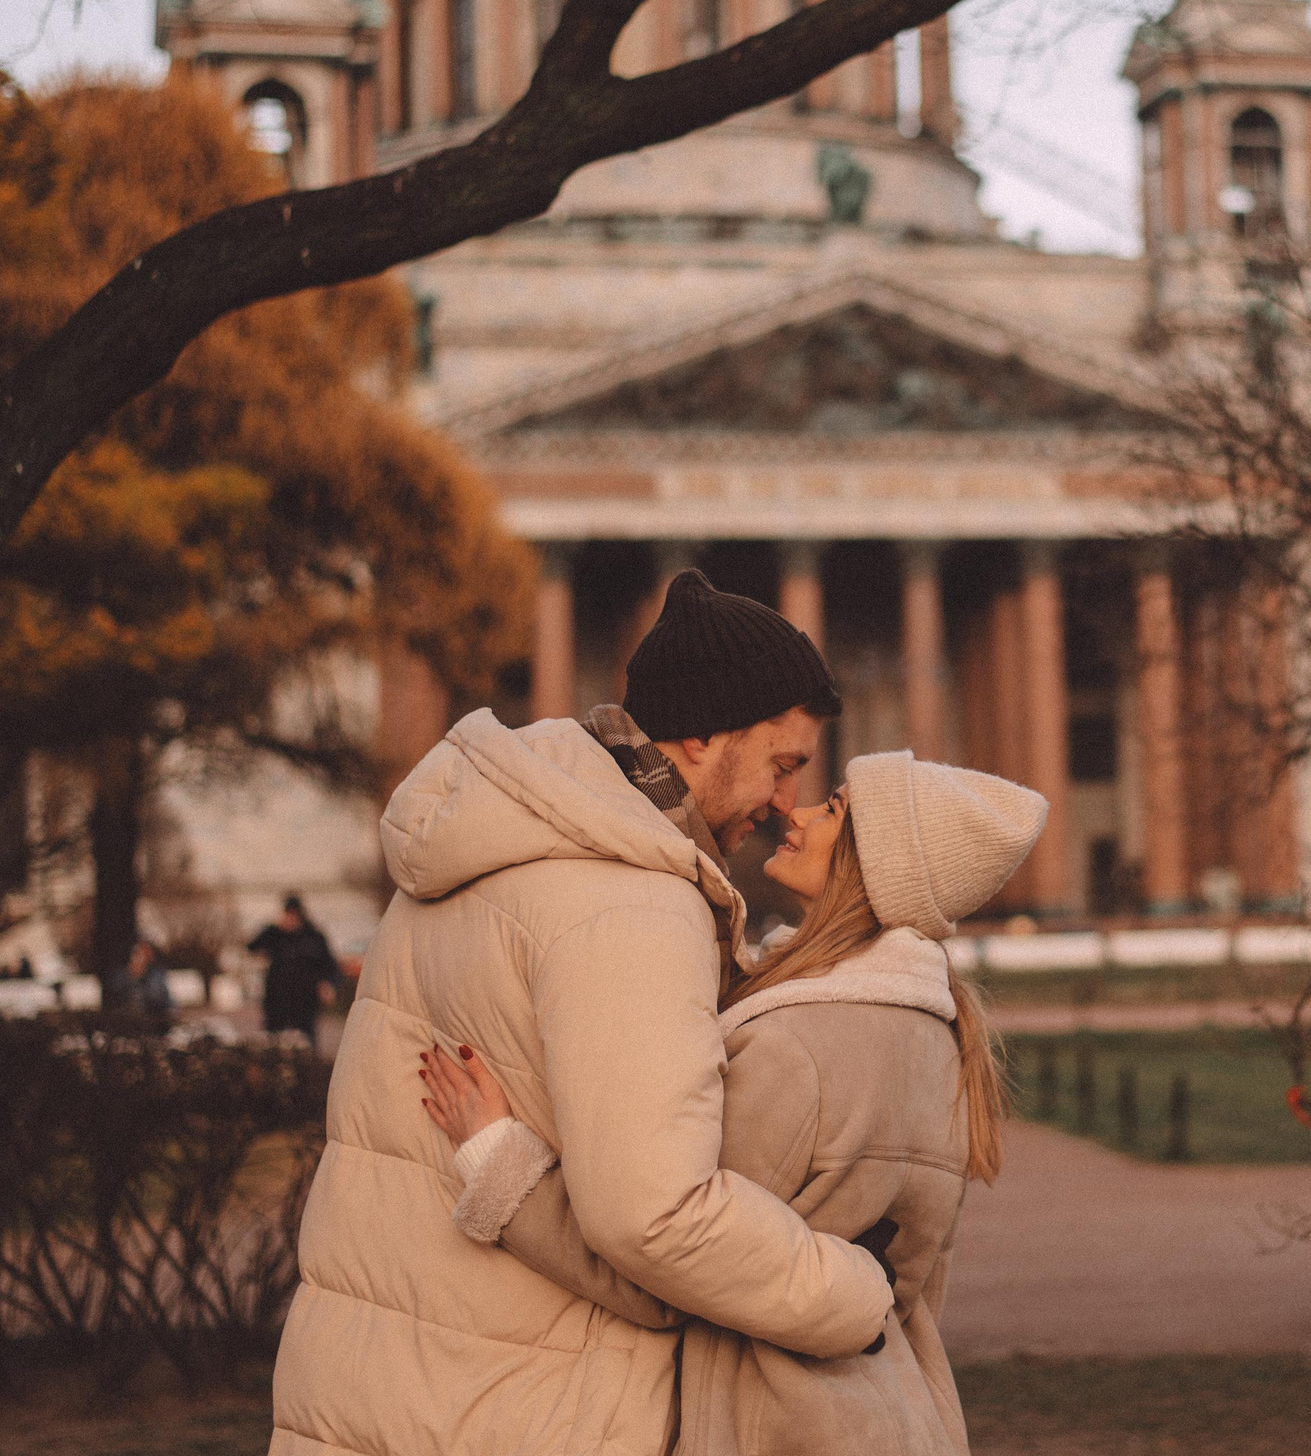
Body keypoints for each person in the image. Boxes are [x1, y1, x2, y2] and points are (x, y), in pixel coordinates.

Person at [269, 571, 898, 1456]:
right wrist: (852, 1292)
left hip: (380, 1385)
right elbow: (655, 1222)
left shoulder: (490, 844)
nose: (787, 801)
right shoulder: (631, 903)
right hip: (519, 1405)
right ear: (705, 732)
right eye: (782, 764)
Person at [420, 749, 1044, 1456]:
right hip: (895, 1415)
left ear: (879, 862)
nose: (797, 811)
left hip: (781, 1424)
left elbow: (669, 1259)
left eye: (834, 810)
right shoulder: (940, 1039)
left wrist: (501, 1161)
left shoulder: (803, 1046)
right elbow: (911, 1294)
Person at [247, 896, 337, 1042]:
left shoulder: (314, 936)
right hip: (277, 999)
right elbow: (252, 947)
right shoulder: (275, 934)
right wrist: (273, 928)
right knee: (273, 1040)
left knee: (305, 1041)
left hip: (305, 1000)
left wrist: (328, 983)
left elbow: (329, 964)